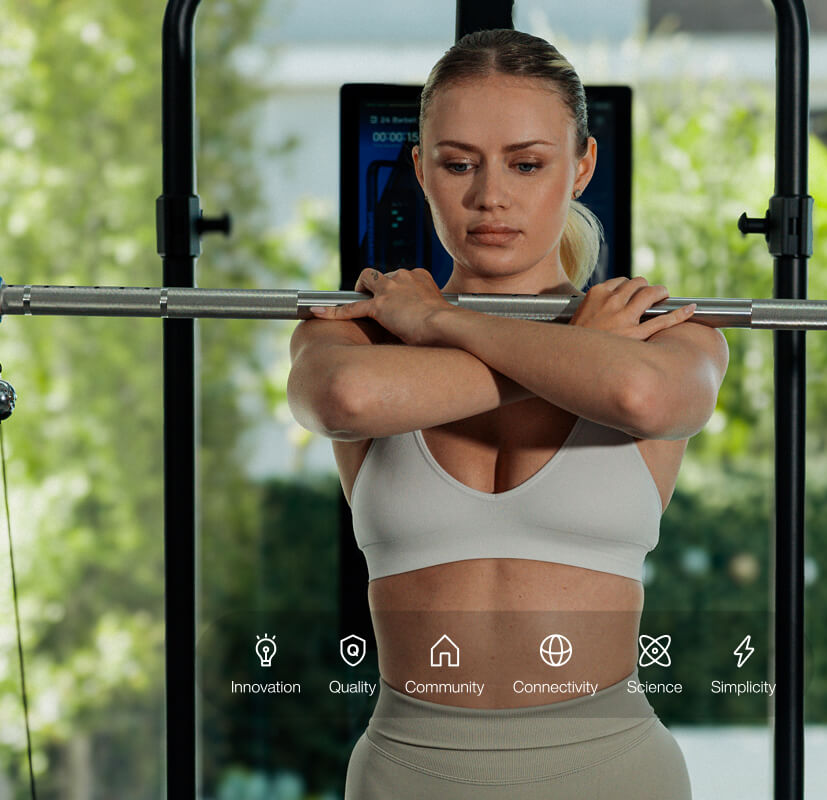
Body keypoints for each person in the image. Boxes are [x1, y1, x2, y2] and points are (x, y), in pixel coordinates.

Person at [287, 29, 728, 798]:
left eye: (528, 164)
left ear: (582, 165)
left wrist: (443, 324)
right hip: (409, 772)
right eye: (459, 164)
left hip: (611, 770)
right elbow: (343, 399)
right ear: (422, 169)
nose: (491, 195)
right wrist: (566, 351)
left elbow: (640, 397)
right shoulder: (355, 331)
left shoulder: (662, 332)